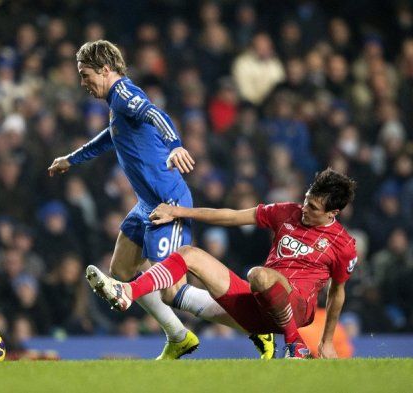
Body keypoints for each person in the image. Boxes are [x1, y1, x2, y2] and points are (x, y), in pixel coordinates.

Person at [48, 40, 216, 359]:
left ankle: (252, 324)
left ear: (106, 70)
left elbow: (157, 114)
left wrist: (176, 145)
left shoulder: (125, 94)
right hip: (145, 205)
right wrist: (72, 158)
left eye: (86, 75)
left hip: (169, 203)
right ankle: (178, 335)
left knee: (173, 290)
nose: (83, 83)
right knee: (122, 270)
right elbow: (109, 138)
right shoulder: (116, 104)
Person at [86, 168, 357, 358]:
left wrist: (327, 340)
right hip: (259, 304)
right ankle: (127, 292)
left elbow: (337, 291)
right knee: (188, 255)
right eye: (307, 200)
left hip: (297, 309)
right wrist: (179, 211)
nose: (305, 209)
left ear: (333, 212)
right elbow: (229, 216)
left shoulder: (343, 244)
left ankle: (294, 343)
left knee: (259, 275)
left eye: (313, 208)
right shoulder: (287, 211)